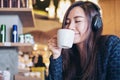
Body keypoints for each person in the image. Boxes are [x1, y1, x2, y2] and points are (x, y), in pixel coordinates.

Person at [47, 1, 120, 80]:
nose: (69, 27)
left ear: (94, 24)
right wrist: (56, 55)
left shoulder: (111, 45)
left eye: (77, 21)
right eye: (67, 22)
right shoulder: (67, 55)